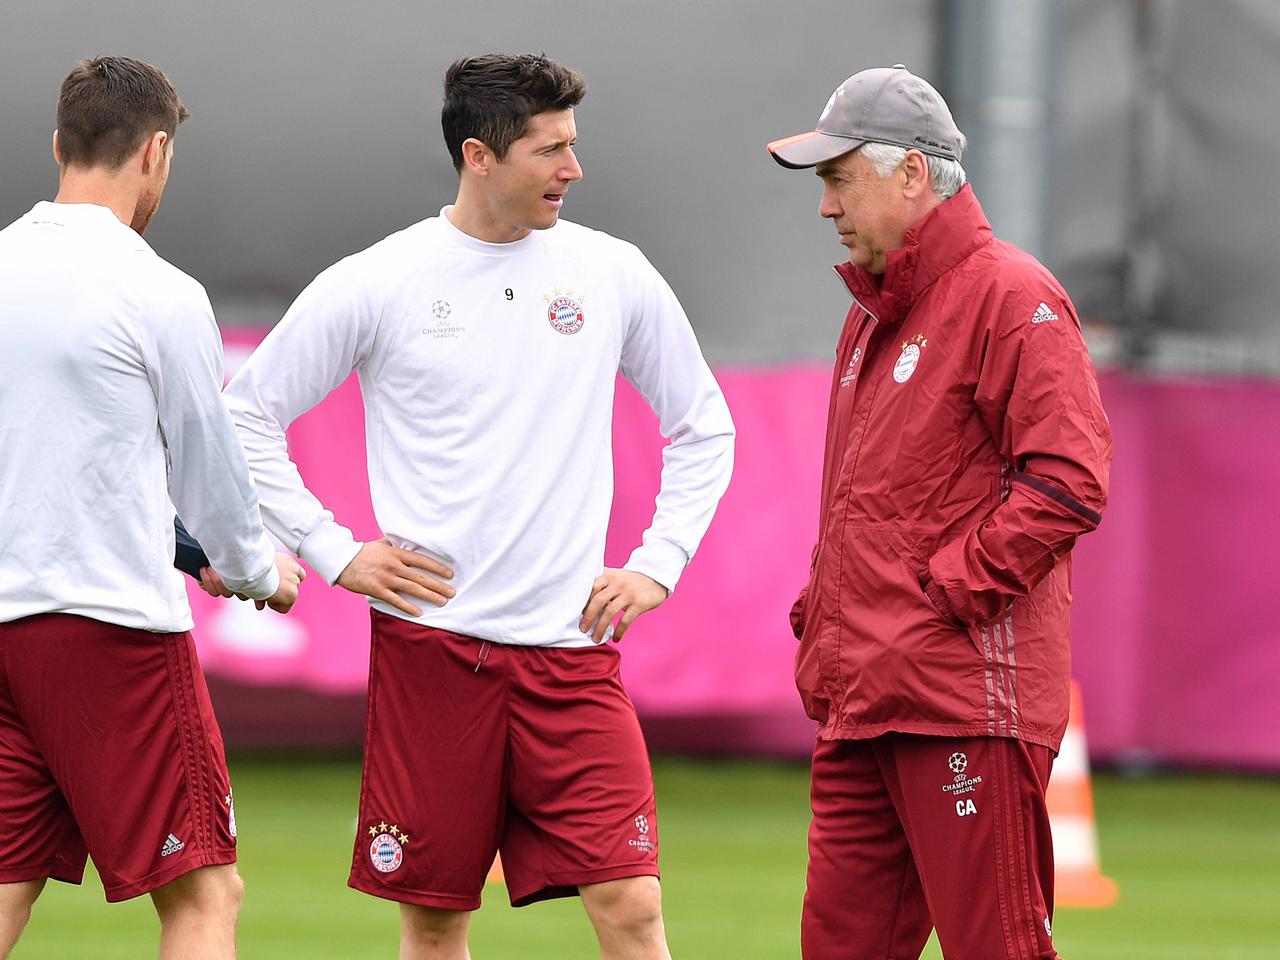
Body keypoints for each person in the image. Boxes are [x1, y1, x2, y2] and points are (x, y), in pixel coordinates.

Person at [218, 53, 734, 960]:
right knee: (435, 920)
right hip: (432, 653)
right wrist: (335, 550)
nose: (574, 169)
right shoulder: (381, 279)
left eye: (574, 144)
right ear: (479, 155)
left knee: (632, 907)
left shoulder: (611, 271)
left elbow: (703, 425)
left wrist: (660, 562)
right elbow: (244, 416)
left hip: (572, 656)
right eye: (551, 149)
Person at [767, 65, 1112, 959]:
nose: (825, 207)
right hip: (864, 696)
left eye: (839, 179)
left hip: (960, 702)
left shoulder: (1011, 295)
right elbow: (870, 504)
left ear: (911, 176)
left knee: (996, 947)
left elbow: (1069, 479)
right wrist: (830, 613)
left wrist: (943, 594)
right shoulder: (874, 312)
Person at [0, 56, 305, 960]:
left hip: (6, 624)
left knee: (6, 879)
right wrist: (255, 572)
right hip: (108, 629)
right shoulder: (159, 292)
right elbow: (210, 473)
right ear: (157, 153)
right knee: (205, 894)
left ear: (60, 145)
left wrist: (187, 549)